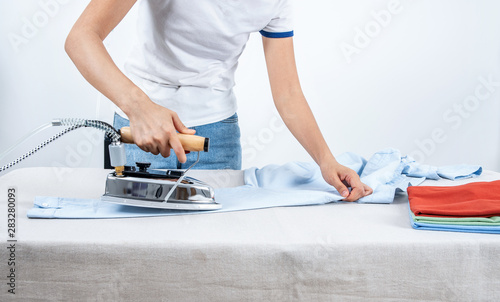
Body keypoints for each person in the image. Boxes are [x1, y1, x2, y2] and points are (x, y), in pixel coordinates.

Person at [65, 0, 372, 201]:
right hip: (139, 130)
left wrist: (326, 159)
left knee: (215, 251)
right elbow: (81, 38)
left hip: (216, 138)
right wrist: (140, 106)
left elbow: (287, 92)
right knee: (134, 252)